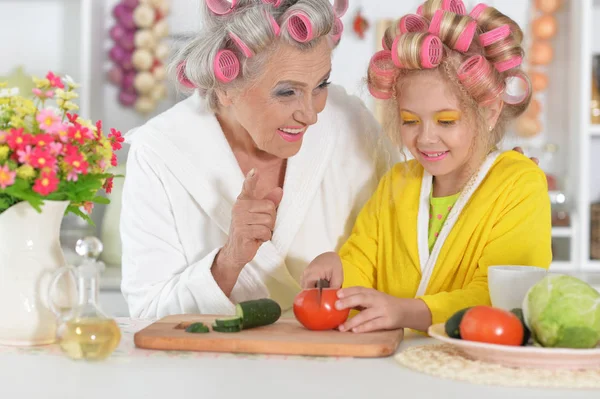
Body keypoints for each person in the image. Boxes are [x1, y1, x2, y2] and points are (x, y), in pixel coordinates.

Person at [120, 0, 539, 319]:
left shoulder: (349, 122)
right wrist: (229, 261)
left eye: (320, 84)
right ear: (224, 85)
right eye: (286, 91)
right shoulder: (161, 152)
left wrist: (495, 182)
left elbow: (393, 246)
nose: (311, 112)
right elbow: (146, 316)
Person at [301, 0, 552, 333]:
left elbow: (502, 295)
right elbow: (363, 256)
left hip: (474, 367)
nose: (426, 138)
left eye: (446, 121)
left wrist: (407, 312)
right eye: (410, 121)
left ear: (489, 112)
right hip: (395, 363)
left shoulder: (519, 185)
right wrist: (339, 269)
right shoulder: (397, 182)